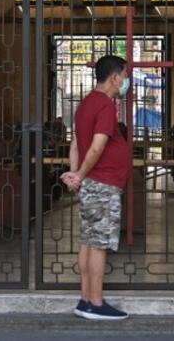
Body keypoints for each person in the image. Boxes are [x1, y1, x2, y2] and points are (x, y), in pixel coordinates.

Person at [61, 55, 133, 321]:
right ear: (114, 77)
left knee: (88, 242)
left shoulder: (85, 104)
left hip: (92, 183)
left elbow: (76, 144)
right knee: (98, 244)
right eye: (124, 75)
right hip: (102, 185)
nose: (125, 81)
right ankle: (96, 303)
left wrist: (75, 174)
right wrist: (78, 173)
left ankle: (84, 300)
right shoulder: (104, 104)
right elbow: (97, 145)